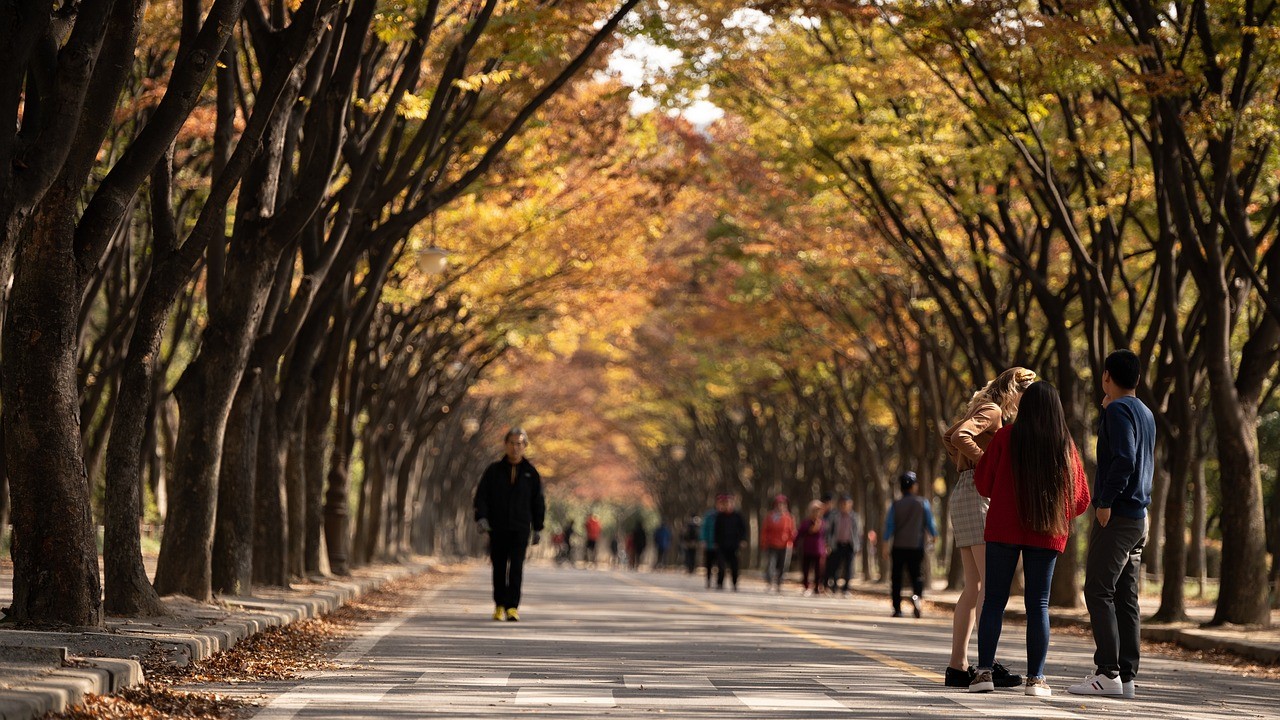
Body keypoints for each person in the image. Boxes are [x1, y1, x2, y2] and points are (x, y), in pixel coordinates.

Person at [968, 382, 1091, 697]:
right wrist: (1056, 513)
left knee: (995, 599)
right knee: (1038, 604)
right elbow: (1081, 499)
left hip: (1003, 528)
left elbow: (983, 482)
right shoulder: (1065, 445)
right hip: (1045, 531)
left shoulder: (1006, 437)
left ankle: (983, 673)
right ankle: (1036, 679)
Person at [941, 367, 1036, 688]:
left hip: (965, 492)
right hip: (977, 493)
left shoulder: (983, 407)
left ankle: (958, 666)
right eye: (1027, 395)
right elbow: (958, 436)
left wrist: (963, 462)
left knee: (975, 586)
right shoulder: (992, 409)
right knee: (990, 583)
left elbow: (949, 435)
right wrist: (984, 461)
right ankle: (985, 663)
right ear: (1015, 391)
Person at [1068, 350, 1154, 699]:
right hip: (1139, 517)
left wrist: (1104, 501)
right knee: (1125, 597)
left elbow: (1124, 459)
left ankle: (1107, 673)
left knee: (1098, 590)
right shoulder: (1145, 412)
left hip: (1117, 515)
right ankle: (1127, 677)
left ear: (1107, 377)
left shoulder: (1118, 410)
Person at [473, 427, 545, 622]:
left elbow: (538, 501)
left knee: (516, 567)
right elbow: (482, 497)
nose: (515, 447)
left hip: (520, 528)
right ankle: (499, 605)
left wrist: (538, 527)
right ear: (505, 445)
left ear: (525, 446)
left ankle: (512, 607)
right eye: (512, 443)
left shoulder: (531, 473)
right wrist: (482, 517)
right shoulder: (493, 471)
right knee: (498, 567)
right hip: (497, 528)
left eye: (519, 444)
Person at [884, 471, 936, 618]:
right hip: (916, 546)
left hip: (899, 546)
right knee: (917, 575)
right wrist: (934, 536)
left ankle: (897, 609)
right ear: (913, 486)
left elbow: (889, 526)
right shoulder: (923, 503)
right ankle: (916, 597)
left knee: (896, 578)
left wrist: (884, 544)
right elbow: (930, 523)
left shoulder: (896, 504)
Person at [824, 494, 862, 595]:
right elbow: (829, 531)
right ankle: (834, 586)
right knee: (835, 567)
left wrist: (858, 546)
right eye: (843, 503)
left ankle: (846, 589)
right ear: (840, 504)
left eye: (847, 503)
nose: (845, 505)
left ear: (851, 504)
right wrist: (828, 543)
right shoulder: (834, 516)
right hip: (837, 544)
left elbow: (858, 532)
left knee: (848, 568)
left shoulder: (855, 517)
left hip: (850, 545)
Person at [713, 493, 749, 590]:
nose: (727, 505)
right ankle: (720, 583)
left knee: (734, 566)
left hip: (734, 545)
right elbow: (716, 530)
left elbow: (743, 529)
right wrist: (715, 542)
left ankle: (734, 583)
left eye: (729, 503)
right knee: (721, 565)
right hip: (721, 545)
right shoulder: (719, 517)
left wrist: (743, 540)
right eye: (725, 503)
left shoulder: (738, 516)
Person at [761, 494, 796, 593]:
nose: (781, 506)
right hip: (771, 545)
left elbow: (792, 531)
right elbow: (765, 530)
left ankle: (779, 584)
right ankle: (769, 582)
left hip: (785, 545)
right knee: (771, 565)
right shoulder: (770, 516)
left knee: (782, 566)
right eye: (779, 504)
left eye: (783, 504)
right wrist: (764, 543)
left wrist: (792, 543)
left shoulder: (789, 517)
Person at [798, 500, 827, 596]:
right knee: (806, 569)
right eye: (815, 510)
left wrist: (827, 546)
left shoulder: (823, 523)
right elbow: (799, 534)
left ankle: (817, 587)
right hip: (807, 549)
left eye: (819, 511)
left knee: (818, 570)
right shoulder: (806, 523)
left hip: (819, 550)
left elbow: (826, 536)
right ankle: (806, 587)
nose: (817, 513)